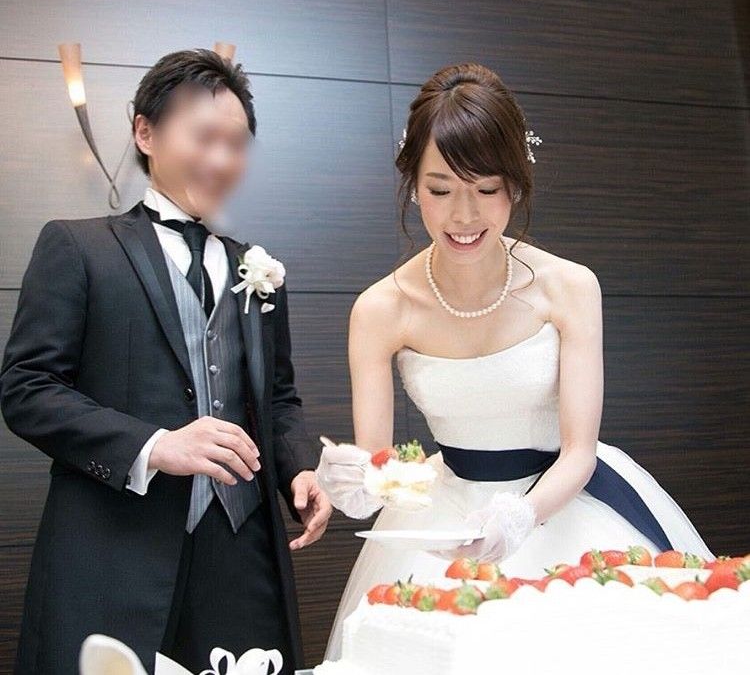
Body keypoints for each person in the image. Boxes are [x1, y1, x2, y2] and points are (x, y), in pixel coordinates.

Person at [315, 62, 715, 661]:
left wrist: (521, 517)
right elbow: (378, 469)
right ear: (412, 184)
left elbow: (580, 451)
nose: (463, 216)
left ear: (516, 185)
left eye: (486, 189)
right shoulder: (379, 309)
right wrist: (353, 480)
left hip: (564, 505)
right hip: (446, 519)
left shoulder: (569, 286)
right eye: (440, 189)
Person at [0, 48, 332, 675]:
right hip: (115, 549)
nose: (222, 160)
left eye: (237, 144)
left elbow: (277, 397)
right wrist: (154, 446)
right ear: (145, 133)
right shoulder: (77, 246)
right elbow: (27, 389)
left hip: (242, 553)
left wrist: (298, 470)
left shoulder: (258, 268)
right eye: (204, 138)